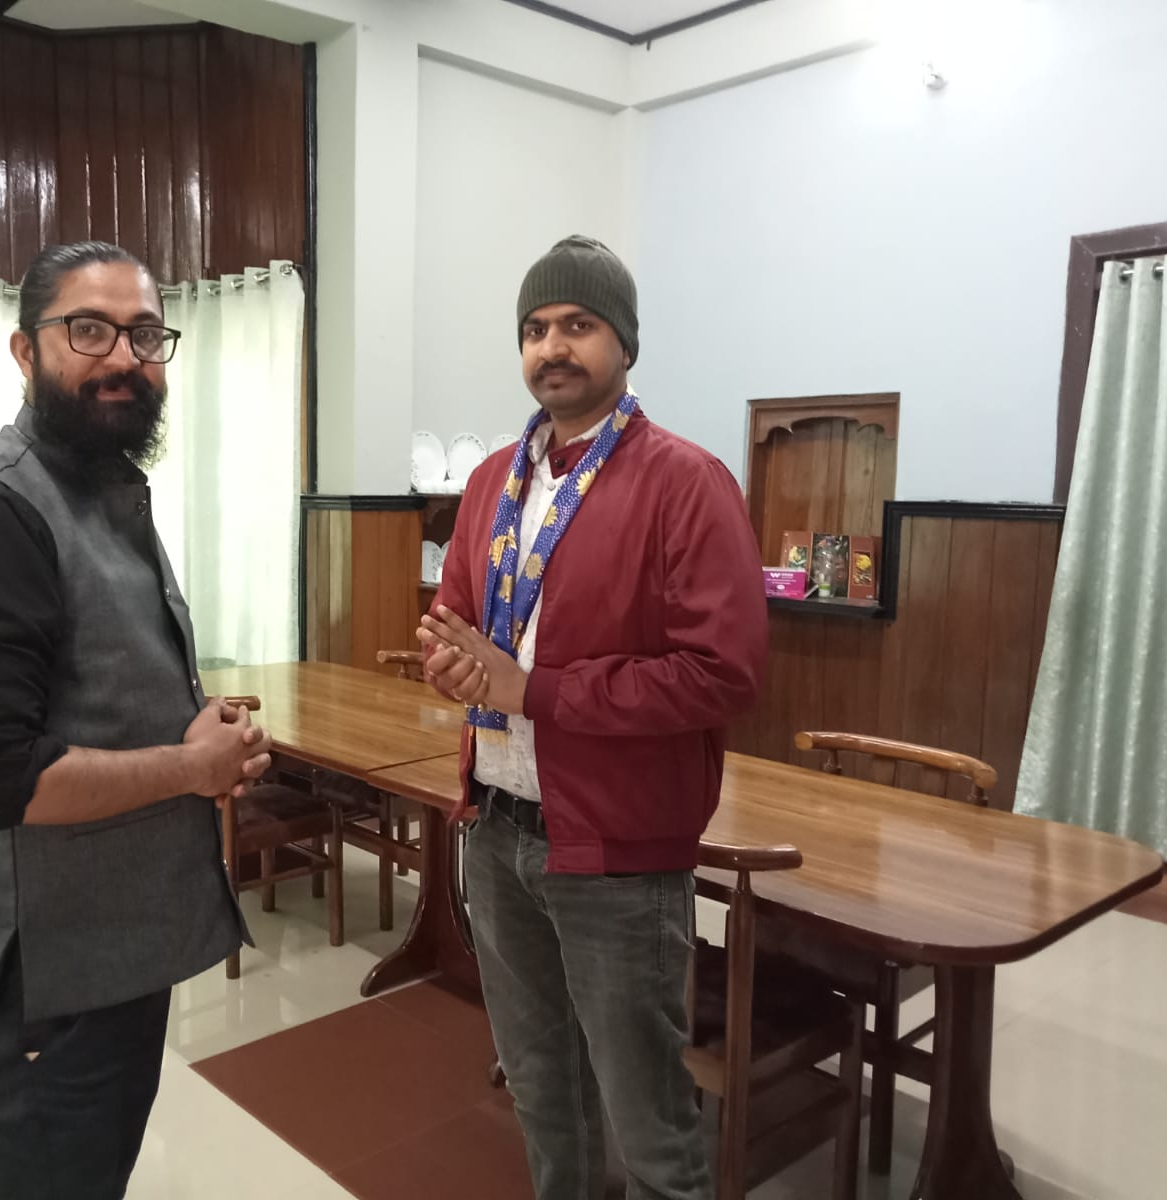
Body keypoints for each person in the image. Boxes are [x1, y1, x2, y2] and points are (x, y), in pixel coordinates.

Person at [0, 240, 271, 1199]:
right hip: (48, 989)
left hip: (115, 961)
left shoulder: (104, 487)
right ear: (25, 351)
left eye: (145, 334)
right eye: (89, 330)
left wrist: (196, 725)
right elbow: (6, 781)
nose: (123, 357)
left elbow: (99, 684)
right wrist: (190, 768)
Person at [417, 236, 767, 1200]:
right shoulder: (492, 480)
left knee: (648, 1121)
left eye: (578, 324)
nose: (552, 347)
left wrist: (534, 690)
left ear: (625, 342)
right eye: (535, 329)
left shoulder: (686, 481)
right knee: (543, 1095)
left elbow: (723, 675)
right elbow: (454, 618)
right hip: (495, 828)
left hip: (617, 850)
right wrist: (450, 664)